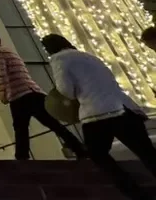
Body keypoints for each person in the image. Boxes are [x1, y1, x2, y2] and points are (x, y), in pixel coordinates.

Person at [42, 34, 155, 198]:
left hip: (97, 114)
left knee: (98, 155)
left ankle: (135, 193)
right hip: (125, 109)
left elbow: (66, 91)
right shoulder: (89, 56)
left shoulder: (59, 60)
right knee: (147, 153)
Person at [0, 30, 87, 160]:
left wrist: (2, 93)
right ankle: (79, 148)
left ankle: (22, 157)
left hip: (19, 94)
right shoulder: (8, 51)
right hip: (33, 92)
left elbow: (1, 73)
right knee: (52, 124)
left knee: (20, 128)